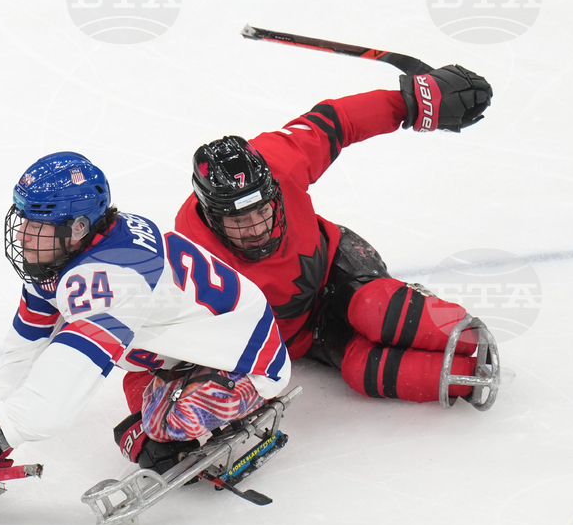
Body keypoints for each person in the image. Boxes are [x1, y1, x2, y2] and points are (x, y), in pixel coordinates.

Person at [0, 152, 291, 507]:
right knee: (143, 426)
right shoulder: (67, 253)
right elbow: (27, 347)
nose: (23, 237)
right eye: (24, 221)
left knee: (163, 427)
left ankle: (241, 391)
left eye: (37, 226)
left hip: (248, 358)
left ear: (78, 228)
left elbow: (57, 397)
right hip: (190, 348)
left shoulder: (111, 277)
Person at [173, 65, 500, 406]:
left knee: (375, 308)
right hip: (303, 334)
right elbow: (151, 333)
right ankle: (466, 375)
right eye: (239, 221)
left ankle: (467, 339)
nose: (256, 228)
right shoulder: (189, 256)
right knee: (364, 370)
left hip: (337, 262)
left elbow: (336, 120)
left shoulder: (278, 162)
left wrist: (412, 102)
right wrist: (140, 427)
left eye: (262, 211)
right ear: (212, 217)